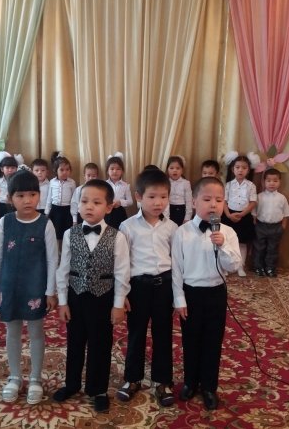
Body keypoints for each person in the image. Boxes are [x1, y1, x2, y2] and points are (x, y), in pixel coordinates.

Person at [53, 179, 130, 413]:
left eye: (96, 202)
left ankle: (98, 390)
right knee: (74, 343)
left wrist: (118, 304)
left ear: (109, 207)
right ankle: (72, 384)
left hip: (103, 298)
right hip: (76, 296)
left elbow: (122, 272)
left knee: (100, 344)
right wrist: (63, 302)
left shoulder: (117, 237)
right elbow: (63, 269)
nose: (89, 206)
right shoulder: (69, 234)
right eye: (84, 201)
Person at [0, 170, 59, 404]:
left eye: (32, 194)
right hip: (9, 287)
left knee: (36, 331)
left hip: (35, 288)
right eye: (20, 195)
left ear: (39, 195)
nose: (27, 200)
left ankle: (35, 378)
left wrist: (50, 291)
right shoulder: (4, 223)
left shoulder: (46, 224)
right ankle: (15, 376)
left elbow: (52, 260)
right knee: (13, 331)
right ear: (10, 198)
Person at [172, 176, 241, 410]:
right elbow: (176, 269)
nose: (213, 204)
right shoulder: (182, 232)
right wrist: (179, 299)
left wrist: (223, 245)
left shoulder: (228, 233)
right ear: (194, 201)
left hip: (216, 293)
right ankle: (190, 382)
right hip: (191, 293)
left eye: (219, 200)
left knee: (213, 340)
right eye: (207, 199)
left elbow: (233, 266)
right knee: (191, 339)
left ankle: (209, 386)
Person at [116, 169, 178, 407]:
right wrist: (122, 293)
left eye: (163, 197)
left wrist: (177, 294)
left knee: (163, 334)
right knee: (136, 333)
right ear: (139, 196)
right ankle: (132, 379)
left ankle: (163, 381)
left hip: (164, 286)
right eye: (152, 197)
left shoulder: (172, 228)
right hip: (138, 287)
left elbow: (177, 263)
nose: (158, 202)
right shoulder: (127, 226)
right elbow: (122, 263)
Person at [252, 169, 289, 277]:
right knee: (259, 248)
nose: (272, 183)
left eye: (275, 181)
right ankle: (258, 267)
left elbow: (286, 213)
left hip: (276, 227)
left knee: (273, 249)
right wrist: (255, 224)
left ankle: (270, 268)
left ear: (280, 182)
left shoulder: (282, 198)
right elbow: (254, 212)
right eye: (268, 180)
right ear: (263, 182)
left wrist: (283, 226)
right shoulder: (259, 196)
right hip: (260, 226)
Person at [224, 154, 257, 277]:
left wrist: (243, 214)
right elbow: (224, 201)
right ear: (232, 169)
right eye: (237, 167)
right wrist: (228, 215)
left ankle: (240, 266)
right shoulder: (228, 185)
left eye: (244, 167)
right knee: (227, 242)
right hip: (229, 216)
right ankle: (226, 266)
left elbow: (253, 202)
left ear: (248, 170)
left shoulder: (251, 186)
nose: (240, 170)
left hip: (245, 216)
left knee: (242, 243)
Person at [45, 151, 76, 241]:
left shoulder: (72, 182)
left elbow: (74, 200)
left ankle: (64, 248)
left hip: (67, 211)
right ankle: (56, 248)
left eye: (67, 169)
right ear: (56, 170)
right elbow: (49, 198)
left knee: (66, 234)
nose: (65, 172)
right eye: (62, 170)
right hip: (55, 211)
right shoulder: (52, 182)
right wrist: (47, 213)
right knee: (54, 233)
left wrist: (74, 218)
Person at [105, 153, 133, 229]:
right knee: (107, 230)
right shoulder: (104, 185)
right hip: (106, 212)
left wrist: (120, 202)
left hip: (120, 212)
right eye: (112, 169)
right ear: (107, 171)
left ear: (122, 171)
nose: (115, 171)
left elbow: (130, 201)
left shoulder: (125, 185)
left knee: (121, 231)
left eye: (118, 169)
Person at [166, 155, 192, 226]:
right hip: (167, 209)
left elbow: (189, 201)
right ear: (167, 169)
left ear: (182, 170)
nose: (175, 170)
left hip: (181, 210)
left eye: (178, 168)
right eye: (171, 168)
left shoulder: (186, 183)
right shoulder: (165, 183)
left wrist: (187, 217)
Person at [0, 156, 19, 222]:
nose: (10, 170)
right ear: (2, 169)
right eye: (7, 168)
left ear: (16, 169)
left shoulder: (18, 181)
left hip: (15, 206)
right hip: (1, 206)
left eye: (12, 168)